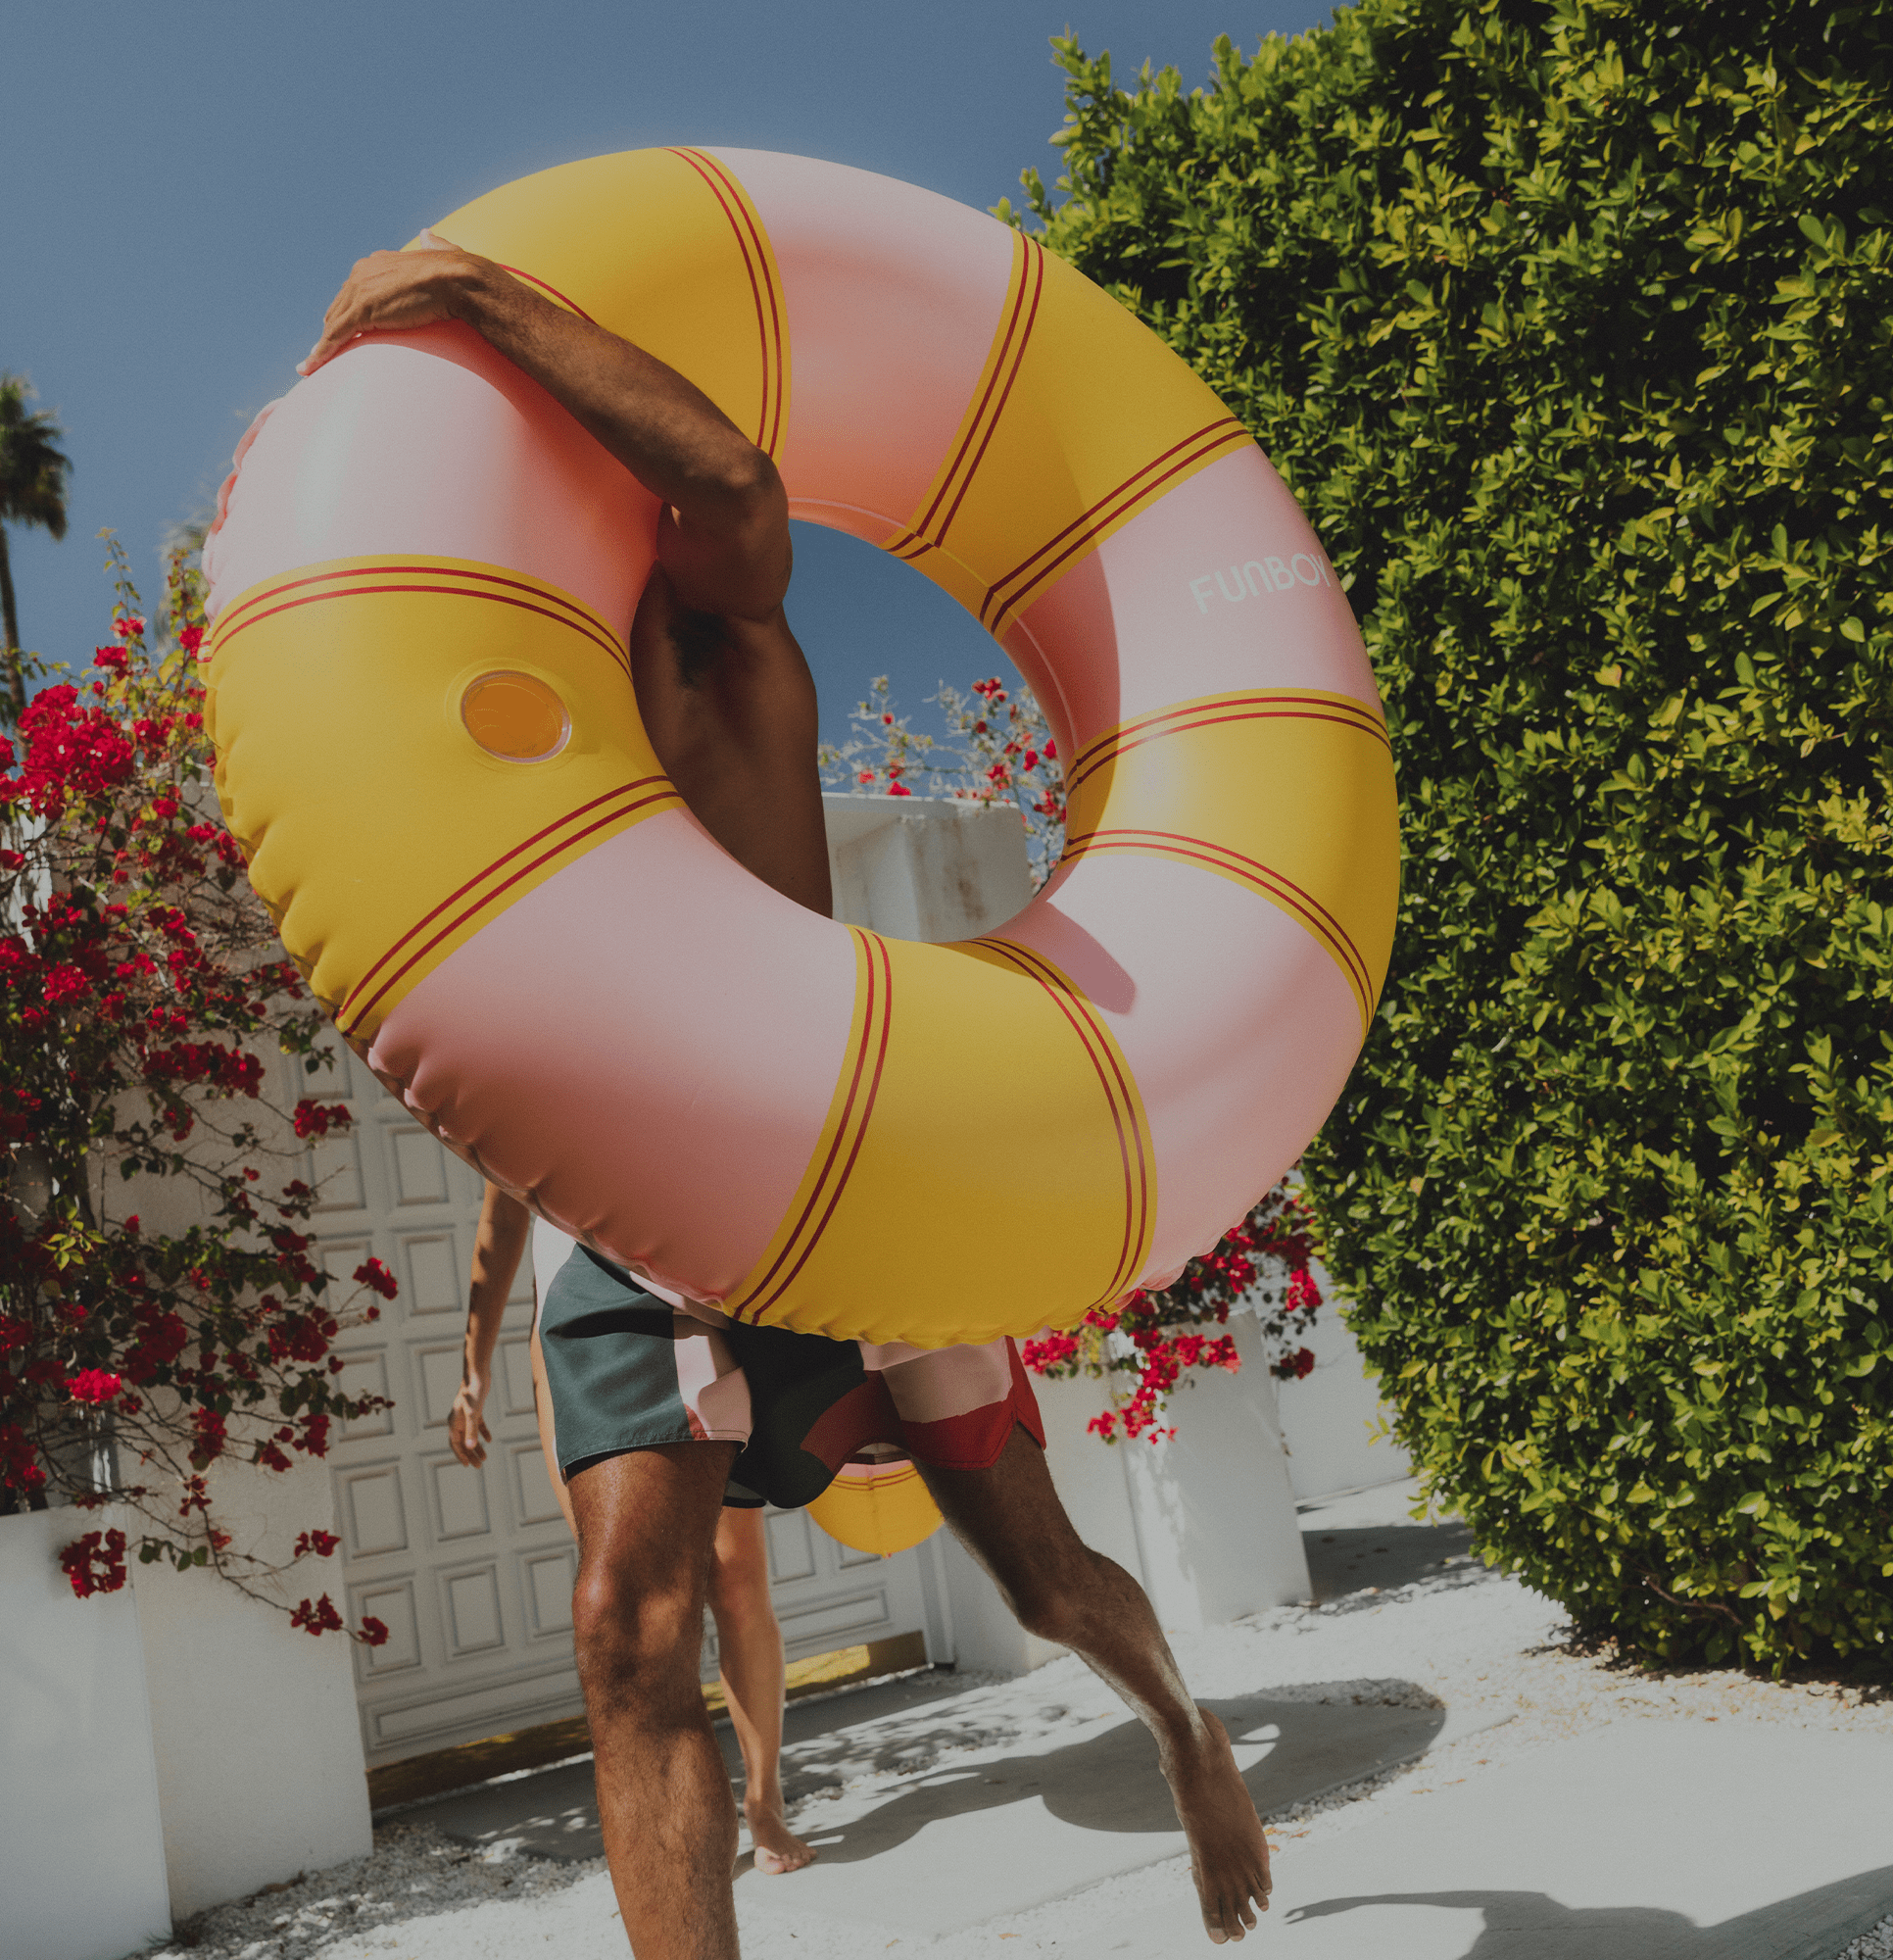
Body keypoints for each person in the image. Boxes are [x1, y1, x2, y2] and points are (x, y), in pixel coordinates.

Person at [302, 234, 1272, 1955]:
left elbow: (740, 482)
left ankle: (1187, 1734)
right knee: (622, 1632)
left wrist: (486, 300)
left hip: (839, 1159)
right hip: (628, 1207)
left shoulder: (712, 656)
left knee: (1039, 1578)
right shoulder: (468, 728)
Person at [448, 1180, 816, 1876]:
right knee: (635, 1605)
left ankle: (764, 1802)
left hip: (692, 1317)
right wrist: (472, 1368)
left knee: (736, 1580)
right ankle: (684, 1818)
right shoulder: (527, 1091)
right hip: (577, 1348)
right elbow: (501, 1223)